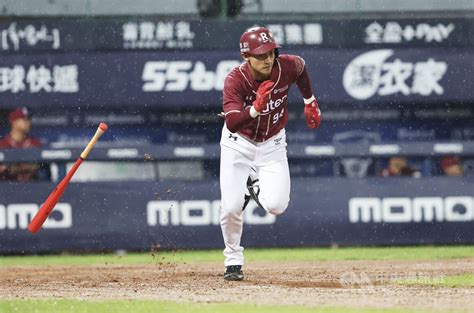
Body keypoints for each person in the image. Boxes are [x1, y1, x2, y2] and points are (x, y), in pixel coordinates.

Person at [219, 26, 321, 281]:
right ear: (246, 56)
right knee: (231, 207)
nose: (267, 60)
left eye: (270, 53)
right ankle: (233, 261)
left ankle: (251, 186)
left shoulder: (287, 65)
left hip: (272, 143)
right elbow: (232, 122)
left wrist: (309, 101)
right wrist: (254, 109)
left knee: (276, 206)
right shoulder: (235, 79)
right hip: (238, 143)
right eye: (260, 55)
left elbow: (301, 68)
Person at [0, 107, 42, 181]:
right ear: (13, 121)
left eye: (29, 119)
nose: (28, 122)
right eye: (24, 119)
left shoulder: (35, 142)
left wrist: (12, 166)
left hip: (32, 186)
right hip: (7, 186)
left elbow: (37, 167)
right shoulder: (2, 143)